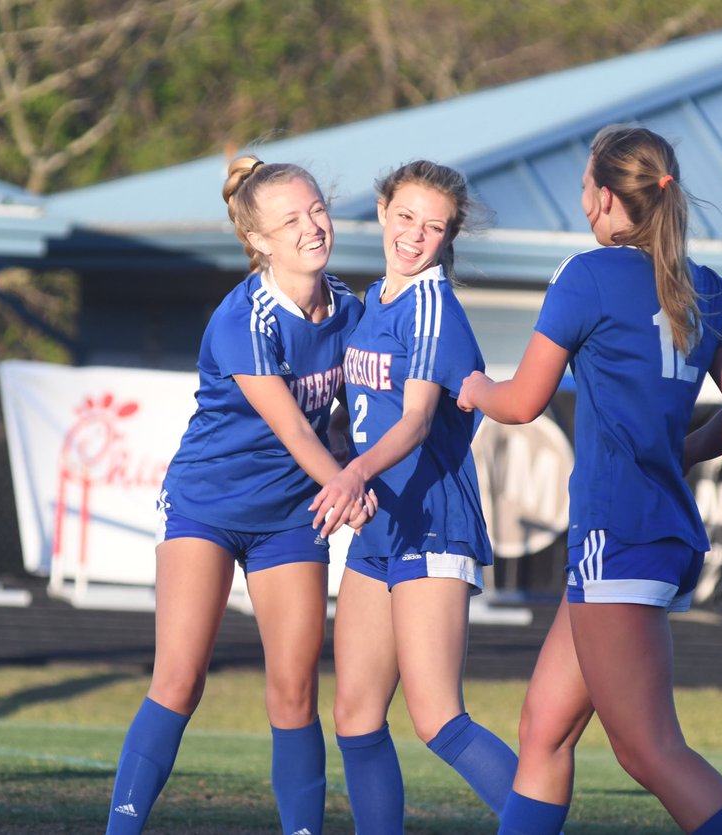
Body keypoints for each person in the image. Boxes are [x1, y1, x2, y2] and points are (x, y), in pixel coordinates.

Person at [457, 125, 722, 834]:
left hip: (617, 531)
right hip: (655, 526)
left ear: (603, 196)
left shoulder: (586, 275)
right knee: (544, 731)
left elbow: (523, 402)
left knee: (648, 750)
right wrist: (675, 451)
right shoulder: (708, 287)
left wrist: (474, 386)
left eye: (583, 186)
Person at [105, 156, 374, 835]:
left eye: (316, 209)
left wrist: (357, 458)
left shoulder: (351, 308)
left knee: (294, 690)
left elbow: (341, 417)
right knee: (179, 679)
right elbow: (289, 425)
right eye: (290, 220)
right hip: (208, 505)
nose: (312, 227)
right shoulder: (244, 317)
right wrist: (345, 478)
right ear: (257, 241)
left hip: (291, 515)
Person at [309, 160, 518, 833]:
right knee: (357, 716)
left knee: (437, 718)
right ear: (381, 209)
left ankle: (539, 821)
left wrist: (351, 474)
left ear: (448, 235)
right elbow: (360, 411)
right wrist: (343, 452)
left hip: (432, 523)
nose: (415, 235)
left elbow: (417, 420)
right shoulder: (373, 303)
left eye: (433, 226)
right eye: (405, 217)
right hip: (380, 527)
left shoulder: (432, 305)